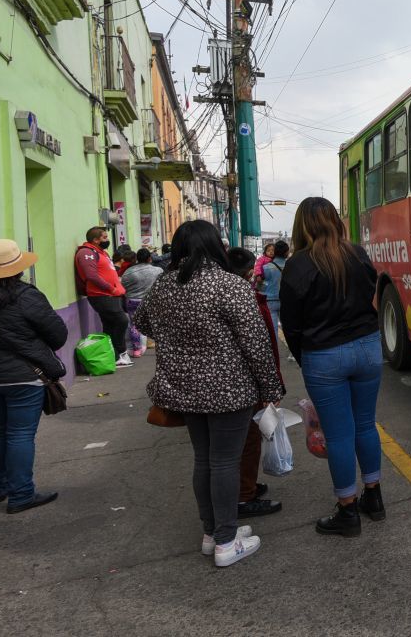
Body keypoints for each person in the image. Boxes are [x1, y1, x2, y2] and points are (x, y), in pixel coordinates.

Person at [135, 221, 285, 567]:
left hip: (182, 391)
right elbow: (256, 343)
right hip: (228, 391)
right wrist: (270, 387)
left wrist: (178, 336)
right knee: (224, 462)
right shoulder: (228, 284)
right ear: (215, 246)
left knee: (204, 460)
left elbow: (142, 322)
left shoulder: (164, 285)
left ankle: (211, 533)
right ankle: (226, 541)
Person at [280, 197, 384, 537]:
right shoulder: (356, 253)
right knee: (366, 426)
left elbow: (292, 324)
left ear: (302, 226)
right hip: (368, 347)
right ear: (334, 221)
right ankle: (375, 498)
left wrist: (303, 355)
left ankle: (347, 511)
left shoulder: (298, 264)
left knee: (339, 434)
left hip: (325, 355)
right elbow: (372, 293)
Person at [0, 239, 67, 513]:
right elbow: (57, 334)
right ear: (17, 268)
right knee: (20, 434)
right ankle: (21, 494)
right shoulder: (25, 295)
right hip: (23, 376)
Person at [225, 246, 283, 520]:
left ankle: (242, 489)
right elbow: (262, 349)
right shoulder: (246, 299)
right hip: (242, 383)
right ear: (250, 272)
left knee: (225, 446)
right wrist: (273, 388)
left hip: (214, 385)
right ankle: (243, 497)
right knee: (247, 440)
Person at [74, 227, 131, 368]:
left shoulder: (101, 253)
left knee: (110, 325)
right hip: (102, 295)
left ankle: (113, 355)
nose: (107, 240)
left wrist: (118, 288)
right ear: (95, 240)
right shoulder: (86, 252)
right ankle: (120, 353)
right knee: (121, 320)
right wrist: (111, 288)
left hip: (112, 295)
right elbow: (91, 275)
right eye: (104, 237)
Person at [120, 249, 162, 358]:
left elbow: (123, 286)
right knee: (156, 323)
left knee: (134, 325)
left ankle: (137, 350)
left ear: (137, 259)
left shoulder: (129, 272)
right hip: (152, 301)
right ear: (149, 258)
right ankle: (162, 347)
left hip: (133, 301)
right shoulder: (158, 270)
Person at [260, 241, 288, 327]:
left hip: (270, 301)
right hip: (286, 301)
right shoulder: (291, 266)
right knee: (288, 328)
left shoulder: (266, 267)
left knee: (272, 328)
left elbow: (261, 286)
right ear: (286, 253)